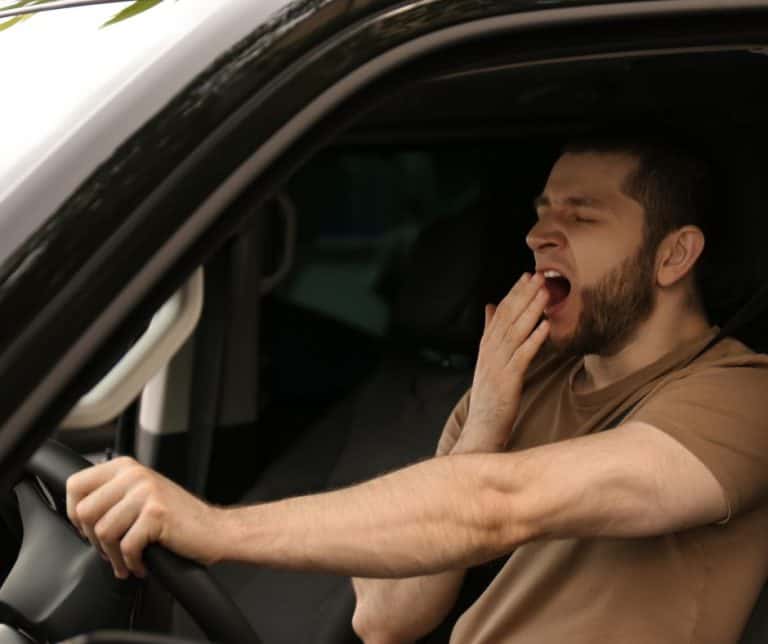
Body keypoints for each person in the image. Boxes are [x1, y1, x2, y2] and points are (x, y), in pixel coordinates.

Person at [66, 137, 768, 644]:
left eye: (580, 216)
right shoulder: (519, 379)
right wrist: (488, 415)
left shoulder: (740, 395)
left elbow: (501, 504)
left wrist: (217, 531)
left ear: (674, 254)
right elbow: (385, 618)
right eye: (541, 210)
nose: (536, 235)